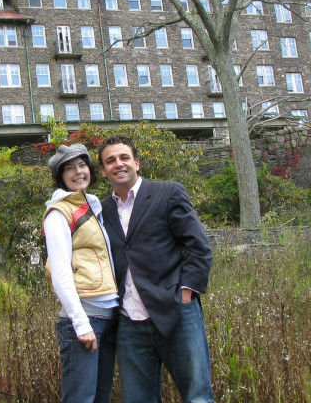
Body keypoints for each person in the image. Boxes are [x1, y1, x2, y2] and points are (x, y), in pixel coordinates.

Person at [98, 135, 214, 403]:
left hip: (176, 313)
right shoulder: (101, 211)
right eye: (110, 160)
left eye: (124, 157)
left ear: (137, 163)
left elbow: (197, 246)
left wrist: (186, 294)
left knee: (197, 396)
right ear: (103, 171)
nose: (119, 164)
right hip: (129, 323)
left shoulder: (168, 192)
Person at [43, 143, 119, 403]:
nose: (78, 172)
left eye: (82, 165)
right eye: (69, 168)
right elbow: (60, 273)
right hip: (85, 321)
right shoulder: (59, 212)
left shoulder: (93, 206)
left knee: (100, 398)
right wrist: (80, 323)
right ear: (61, 176)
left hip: (106, 319)